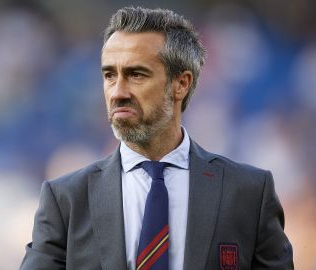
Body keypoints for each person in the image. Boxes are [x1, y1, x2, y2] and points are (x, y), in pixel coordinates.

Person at [20, 6, 293, 270]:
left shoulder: (249, 194)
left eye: (136, 74)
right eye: (109, 75)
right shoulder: (65, 199)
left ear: (181, 84)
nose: (117, 92)